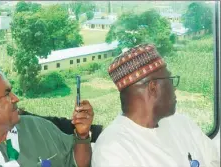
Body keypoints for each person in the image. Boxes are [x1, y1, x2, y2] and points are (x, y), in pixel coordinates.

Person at [92, 44, 220, 167]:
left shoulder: (183, 123)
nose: (174, 88)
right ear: (153, 87)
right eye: (170, 80)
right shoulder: (112, 149)